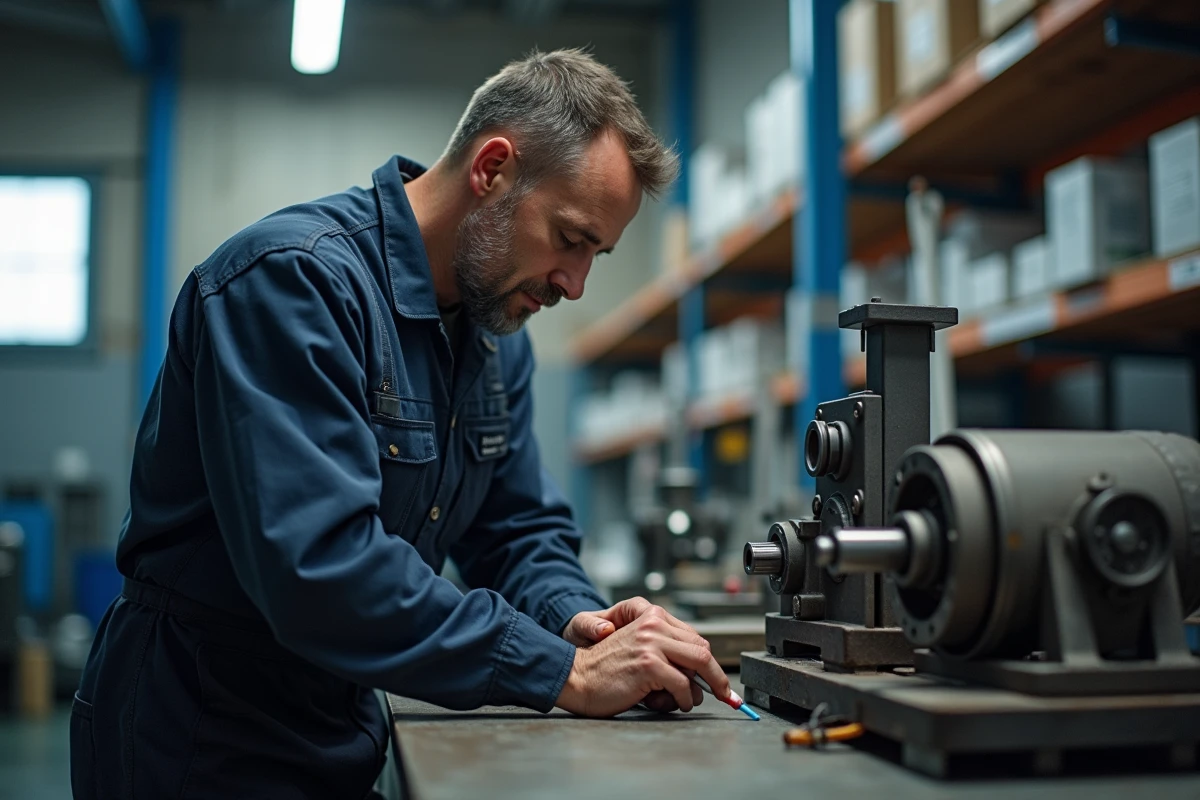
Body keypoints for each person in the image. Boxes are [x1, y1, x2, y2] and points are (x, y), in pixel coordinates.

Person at [70, 48, 732, 799]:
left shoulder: (491, 339)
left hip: (340, 723)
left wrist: (587, 625)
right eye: (571, 239)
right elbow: (320, 568)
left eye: (596, 256)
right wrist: (562, 671)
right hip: (197, 735)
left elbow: (517, 533)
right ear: (492, 169)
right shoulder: (294, 283)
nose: (574, 286)